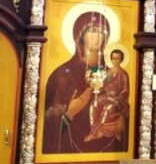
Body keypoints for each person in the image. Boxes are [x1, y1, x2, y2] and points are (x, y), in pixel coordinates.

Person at [43, 11, 130, 153]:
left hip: (109, 153)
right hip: (71, 153)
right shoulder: (63, 75)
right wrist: (69, 113)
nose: (98, 36)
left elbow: (125, 108)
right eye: (92, 31)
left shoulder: (115, 74)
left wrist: (122, 125)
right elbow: (47, 128)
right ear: (80, 35)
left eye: (102, 32)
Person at [83, 48, 130, 145]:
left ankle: (96, 132)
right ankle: (93, 131)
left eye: (117, 59)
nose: (115, 61)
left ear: (121, 60)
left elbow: (125, 90)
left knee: (108, 108)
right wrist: (96, 87)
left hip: (118, 100)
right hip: (107, 96)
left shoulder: (123, 74)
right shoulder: (108, 72)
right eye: (113, 58)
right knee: (93, 105)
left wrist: (118, 98)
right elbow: (103, 85)